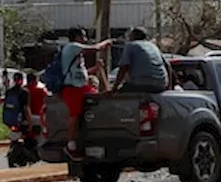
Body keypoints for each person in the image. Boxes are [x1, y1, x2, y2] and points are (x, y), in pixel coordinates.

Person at [59, 27, 112, 160]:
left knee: (97, 101)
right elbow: (95, 48)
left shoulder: (76, 54)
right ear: (76, 37)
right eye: (83, 36)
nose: (85, 39)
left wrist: (96, 69)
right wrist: (105, 43)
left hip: (81, 87)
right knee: (74, 115)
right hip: (72, 89)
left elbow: (82, 73)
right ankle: (70, 146)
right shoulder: (72, 47)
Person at [112, 27, 169, 94]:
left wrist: (114, 88)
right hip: (161, 85)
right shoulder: (153, 46)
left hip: (141, 84)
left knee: (120, 93)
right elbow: (168, 65)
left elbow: (124, 67)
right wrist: (169, 87)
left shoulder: (130, 46)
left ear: (133, 36)